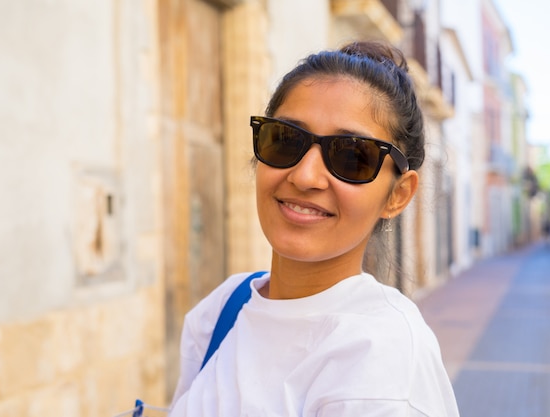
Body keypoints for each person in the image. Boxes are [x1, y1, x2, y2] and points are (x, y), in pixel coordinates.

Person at [168, 41, 460, 417]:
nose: (305, 176)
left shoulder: (383, 363)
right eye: (286, 140)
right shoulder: (225, 308)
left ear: (398, 195)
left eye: (352, 155)